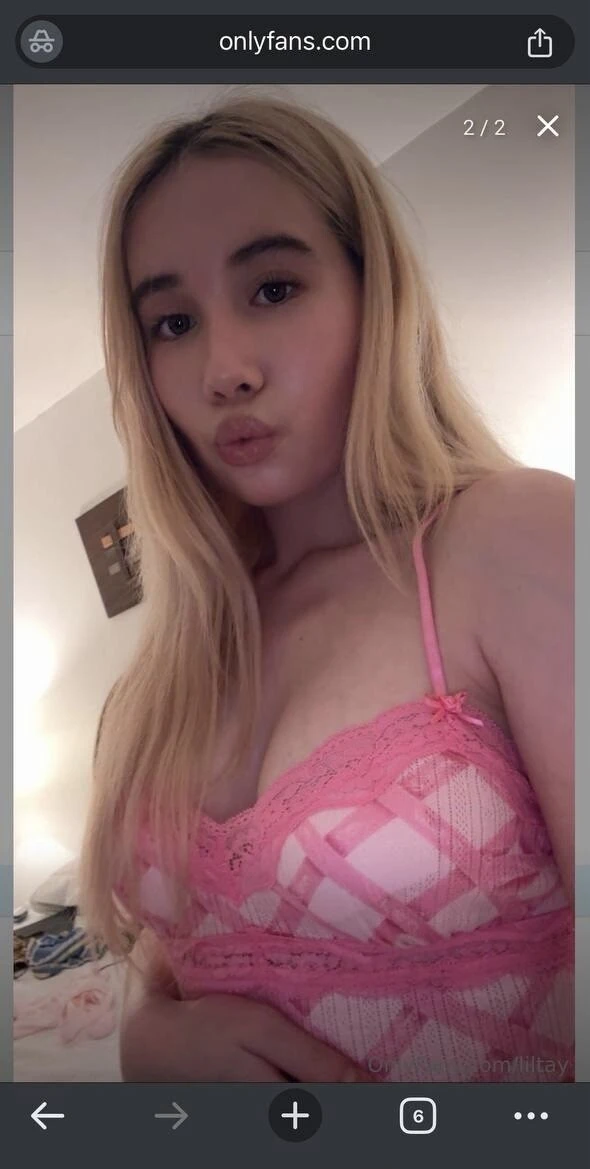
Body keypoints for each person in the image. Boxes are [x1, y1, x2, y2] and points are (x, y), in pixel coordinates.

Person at [79, 93, 574, 1084]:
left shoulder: (512, 540)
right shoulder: (166, 672)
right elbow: (176, 950)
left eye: (272, 288)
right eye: (172, 322)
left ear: (371, 293)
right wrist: (145, 1038)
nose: (224, 370)